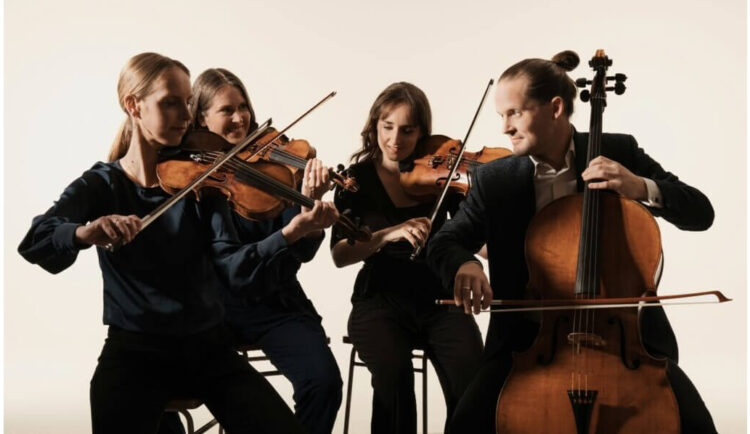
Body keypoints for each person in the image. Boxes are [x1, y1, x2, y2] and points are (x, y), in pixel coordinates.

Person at [17, 52, 316, 434]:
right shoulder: (103, 184)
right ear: (133, 105)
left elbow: (231, 267)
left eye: (187, 103)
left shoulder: (203, 184)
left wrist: (289, 233)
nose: (185, 115)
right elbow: (36, 238)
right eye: (170, 103)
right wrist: (84, 232)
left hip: (208, 347)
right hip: (136, 351)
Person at [427, 50, 717, 434]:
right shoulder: (495, 180)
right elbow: (444, 240)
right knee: (465, 426)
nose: (505, 129)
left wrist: (640, 185)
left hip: (627, 346)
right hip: (528, 347)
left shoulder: (619, 151)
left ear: (556, 108)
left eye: (515, 113)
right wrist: (466, 263)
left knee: (698, 426)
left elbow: (701, 213)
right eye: (501, 116)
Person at [182, 67, 343, 434]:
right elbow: (228, 269)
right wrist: (289, 232)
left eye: (244, 108)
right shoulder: (192, 176)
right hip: (214, 311)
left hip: (276, 304)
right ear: (201, 118)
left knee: (324, 383)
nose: (240, 118)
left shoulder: (276, 163)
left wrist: (307, 207)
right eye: (227, 110)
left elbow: (300, 255)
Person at [330, 81, 484, 434]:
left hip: (439, 297)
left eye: (407, 130)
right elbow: (340, 255)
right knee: (394, 379)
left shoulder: (441, 176)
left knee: (472, 378)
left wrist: (491, 232)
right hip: (380, 300)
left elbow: (478, 241)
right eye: (388, 127)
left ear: (422, 133)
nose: (396, 139)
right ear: (375, 126)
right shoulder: (356, 180)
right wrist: (388, 234)